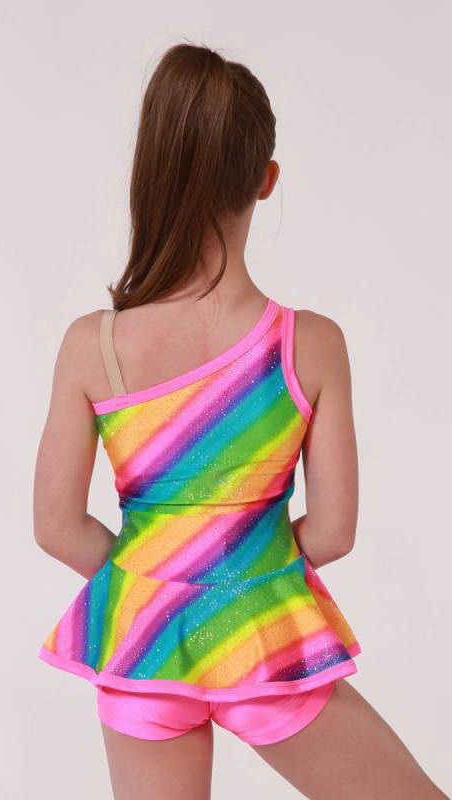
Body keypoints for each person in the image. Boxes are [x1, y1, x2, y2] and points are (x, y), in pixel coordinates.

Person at [33, 42, 449, 800]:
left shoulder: (94, 345)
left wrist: (163, 585)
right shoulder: (309, 344)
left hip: (144, 649)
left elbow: (57, 527)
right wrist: (235, 585)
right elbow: (334, 533)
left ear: (153, 170)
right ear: (265, 179)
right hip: (266, 645)